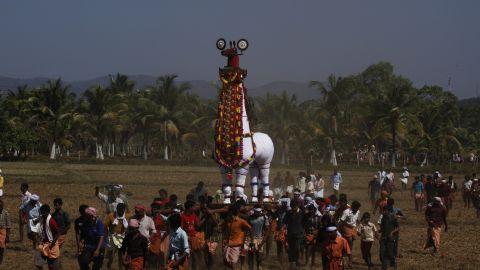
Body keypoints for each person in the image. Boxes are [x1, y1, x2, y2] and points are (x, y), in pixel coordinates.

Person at [223, 203, 252, 269]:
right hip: (228, 244)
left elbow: (249, 229)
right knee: (226, 262)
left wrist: (248, 241)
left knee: (234, 263)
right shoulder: (228, 221)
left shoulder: (241, 221)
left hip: (237, 244)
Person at [103, 203, 130, 270]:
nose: (121, 212)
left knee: (121, 256)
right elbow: (104, 226)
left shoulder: (128, 216)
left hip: (123, 238)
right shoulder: (111, 215)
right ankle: (108, 266)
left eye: (122, 210)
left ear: (124, 210)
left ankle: (121, 268)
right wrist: (107, 235)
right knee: (110, 256)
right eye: (119, 210)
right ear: (117, 209)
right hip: (112, 237)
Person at [34, 204, 61, 270]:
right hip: (43, 244)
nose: (41, 214)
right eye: (41, 213)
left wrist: (52, 244)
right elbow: (35, 222)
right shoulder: (42, 218)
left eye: (43, 213)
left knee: (52, 266)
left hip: (51, 245)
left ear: (47, 212)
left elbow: (57, 233)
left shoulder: (51, 221)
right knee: (38, 264)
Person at [181, 200, 203, 270]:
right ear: (189, 207)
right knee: (189, 256)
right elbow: (181, 229)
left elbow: (198, 225)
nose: (195, 208)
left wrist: (204, 217)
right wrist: (186, 237)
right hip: (187, 238)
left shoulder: (193, 214)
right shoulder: (182, 216)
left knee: (195, 256)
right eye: (193, 206)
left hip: (194, 238)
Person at [283, 199, 305, 269]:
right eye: (292, 206)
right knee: (290, 249)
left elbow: (305, 223)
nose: (293, 208)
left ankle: (296, 261)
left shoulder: (302, 213)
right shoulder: (288, 213)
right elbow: (285, 222)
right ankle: (292, 263)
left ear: (298, 206)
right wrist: (284, 229)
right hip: (290, 234)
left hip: (299, 235)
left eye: (295, 206)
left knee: (297, 248)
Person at [379, 201, 399, 270]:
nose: (383, 212)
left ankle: (394, 262)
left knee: (390, 253)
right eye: (383, 210)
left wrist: (392, 232)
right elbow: (382, 228)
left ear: (388, 211)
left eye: (384, 210)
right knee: (382, 252)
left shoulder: (393, 217)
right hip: (384, 237)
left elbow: (397, 227)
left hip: (390, 238)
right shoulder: (383, 218)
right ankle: (384, 267)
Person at [303, 204, 320, 268]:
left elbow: (320, 226)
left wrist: (317, 231)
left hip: (315, 235)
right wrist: (304, 233)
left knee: (313, 250)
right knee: (307, 249)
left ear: (314, 210)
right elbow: (303, 225)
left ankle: (313, 263)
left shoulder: (317, 217)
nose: (311, 211)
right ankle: (307, 262)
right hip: (308, 234)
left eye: (312, 210)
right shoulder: (306, 217)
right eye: (310, 210)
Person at [0, 199, 11, 265]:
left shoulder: (6, 213)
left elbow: (8, 226)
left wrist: (7, 236)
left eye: (1, 206)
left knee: (1, 247)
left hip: (2, 231)